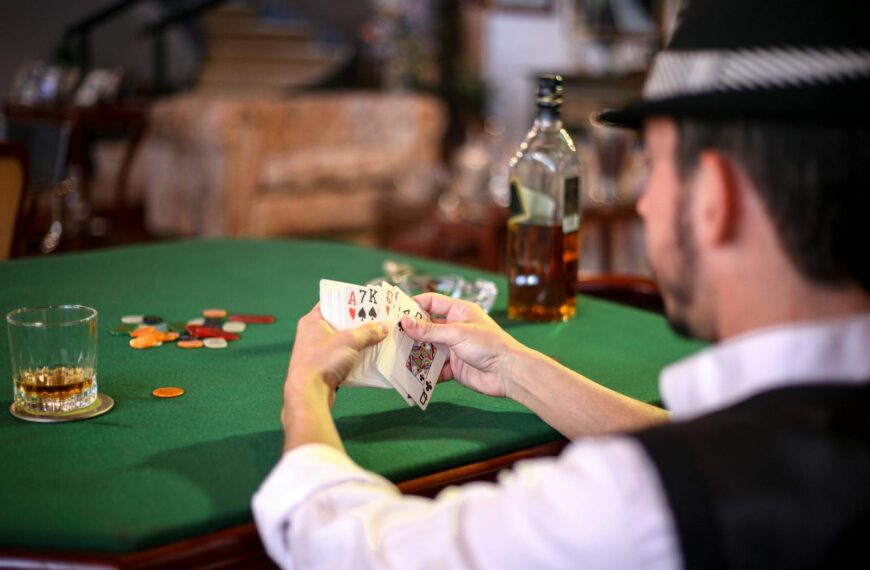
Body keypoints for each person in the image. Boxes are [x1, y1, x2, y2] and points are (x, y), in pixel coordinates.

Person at [253, 0, 870, 567]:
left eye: (652, 171)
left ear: (713, 198)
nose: (648, 206)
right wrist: (515, 365)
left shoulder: (642, 503)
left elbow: (356, 551)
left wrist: (304, 389)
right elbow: (737, 450)